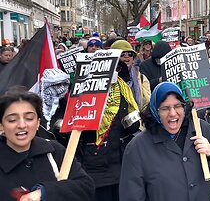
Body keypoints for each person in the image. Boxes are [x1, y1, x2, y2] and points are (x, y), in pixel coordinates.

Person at [119, 82, 210, 201]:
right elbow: (131, 195)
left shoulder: (202, 130)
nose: (172, 113)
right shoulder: (137, 147)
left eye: (177, 106)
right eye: (165, 108)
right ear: (155, 111)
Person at [0, 89, 94, 201]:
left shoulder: (53, 151)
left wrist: (43, 193)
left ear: (38, 123)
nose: (22, 125)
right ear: (1, 126)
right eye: (12, 120)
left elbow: (85, 187)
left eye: (29, 118)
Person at [77, 61, 140, 201]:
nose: (114, 72)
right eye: (111, 68)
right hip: (95, 166)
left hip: (122, 165)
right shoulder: (84, 92)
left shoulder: (123, 90)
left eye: (117, 68)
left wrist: (130, 122)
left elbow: (133, 124)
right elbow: (75, 130)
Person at [111, 40, 151, 110]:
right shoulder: (106, 79)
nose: (126, 57)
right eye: (122, 54)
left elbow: (146, 104)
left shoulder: (141, 78)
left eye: (130, 54)